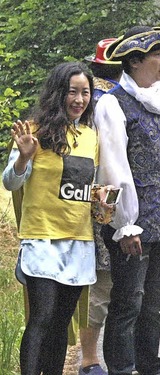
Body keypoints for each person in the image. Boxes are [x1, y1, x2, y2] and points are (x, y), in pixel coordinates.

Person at [93, 25, 160, 375]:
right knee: (127, 305)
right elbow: (114, 166)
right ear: (136, 60)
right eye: (158, 55)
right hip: (132, 224)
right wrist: (126, 224)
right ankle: (122, 369)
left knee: (153, 305)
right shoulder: (112, 103)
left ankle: (150, 366)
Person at [2, 61, 108, 375]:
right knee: (41, 318)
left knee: (62, 322)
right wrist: (23, 156)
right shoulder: (32, 132)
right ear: (58, 93)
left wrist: (100, 198)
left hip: (78, 240)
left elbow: (86, 188)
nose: (79, 99)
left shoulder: (90, 136)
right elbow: (11, 182)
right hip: (41, 238)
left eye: (85, 93)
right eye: (72, 92)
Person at [79, 37, 123, 375]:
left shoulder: (81, 97)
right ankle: (91, 359)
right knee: (104, 284)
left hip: (78, 196)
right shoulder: (115, 98)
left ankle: (89, 357)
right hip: (106, 199)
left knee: (92, 285)